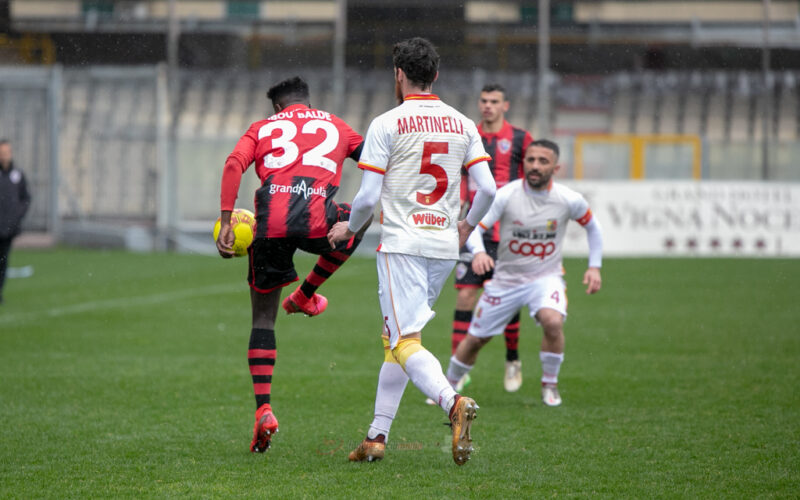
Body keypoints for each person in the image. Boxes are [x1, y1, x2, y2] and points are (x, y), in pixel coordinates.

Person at [328, 37, 497, 466]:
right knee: (398, 341)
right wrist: (466, 226)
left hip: (402, 244)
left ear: (398, 74)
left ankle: (452, 402)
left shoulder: (386, 122)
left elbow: (366, 198)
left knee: (403, 340)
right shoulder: (463, 123)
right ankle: (376, 436)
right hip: (442, 246)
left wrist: (351, 226)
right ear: (436, 75)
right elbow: (488, 189)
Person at [216, 76, 369, 453]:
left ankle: (263, 409)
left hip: (269, 227)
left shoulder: (262, 127)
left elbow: (234, 163)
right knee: (358, 218)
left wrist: (224, 218)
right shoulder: (335, 125)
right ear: (306, 101)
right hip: (320, 223)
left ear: (277, 108)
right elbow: (376, 165)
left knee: (263, 320)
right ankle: (306, 293)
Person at [445, 139, 603, 407]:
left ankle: (549, 385)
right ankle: (447, 388)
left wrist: (594, 266)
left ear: (556, 167)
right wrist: (480, 253)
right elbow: (475, 228)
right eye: (530, 160)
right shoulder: (506, 194)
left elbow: (593, 228)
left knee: (553, 322)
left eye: (543, 161)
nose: (535, 166)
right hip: (506, 280)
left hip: (546, 277)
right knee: (475, 340)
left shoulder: (568, 199)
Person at [451, 83, 534, 394]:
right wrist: (458, 202)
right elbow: (459, 173)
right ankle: (457, 374)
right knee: (464, 297)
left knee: (506, 299)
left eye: (494, 101)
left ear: (505, 105)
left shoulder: (520, 138)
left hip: (509, 233)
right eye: (483, 100)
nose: (487, 106)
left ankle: (512, 358)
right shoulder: (468, 134)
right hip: (473, 227)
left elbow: (533, 174)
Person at [0, 139, 31, 305]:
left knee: (3, 261)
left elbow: (26, 198)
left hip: (8, 228)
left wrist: (17, 215)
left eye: (7, 152)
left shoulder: (17, 175)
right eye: (2, 152)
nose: (4, 155)